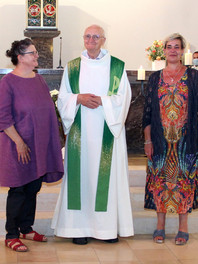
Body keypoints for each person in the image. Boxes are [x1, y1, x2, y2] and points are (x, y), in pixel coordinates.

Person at [51, 24, 134, 245]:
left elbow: (124, 98)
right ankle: (78, 228)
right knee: (82, 177)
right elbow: (63, 98)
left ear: (103, 40)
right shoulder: (73, 67)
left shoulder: (116, 66)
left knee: (107, 178)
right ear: (83, 39)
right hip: (81, 133)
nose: (91, 40)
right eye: (87, 36)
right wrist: (78, 99)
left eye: (96, 36)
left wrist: (103, 102)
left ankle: (107, 229)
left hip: (108, 130)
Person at [0, 38, 64, 252]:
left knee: (33, 187)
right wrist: (19, 142)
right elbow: (3, 119)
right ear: (20, 57)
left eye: (35, 53)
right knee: (19, 189)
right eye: (32, 53)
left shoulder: (39, 80)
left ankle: (26, 228)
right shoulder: (6, 84)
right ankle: (11, 234)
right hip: (17, 145)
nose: (37, 56)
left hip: (38, 145)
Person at [143, 33, 198, 245]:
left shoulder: (192, 76)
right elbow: (147, 114)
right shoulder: (155, 78)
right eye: (169, 47)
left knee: (184, 183)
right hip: (160, 142)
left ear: (182, 51)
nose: (172, 50)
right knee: (159, 182)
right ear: (163, 51)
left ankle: (183, 228)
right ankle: (160, 226)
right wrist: (148, 141)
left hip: (186, 141)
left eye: (177, 47)